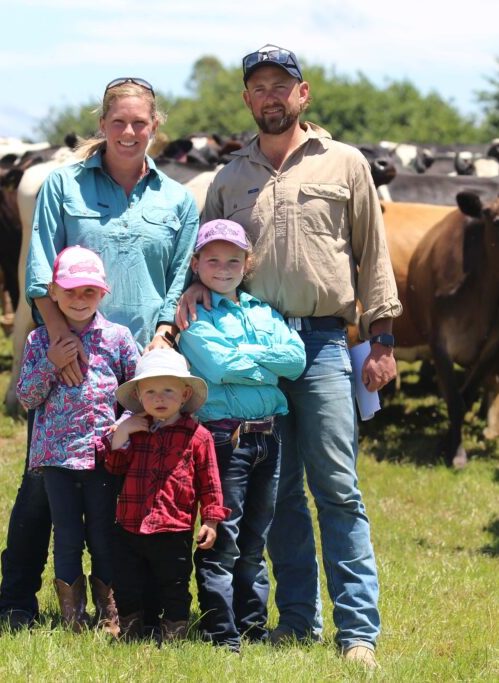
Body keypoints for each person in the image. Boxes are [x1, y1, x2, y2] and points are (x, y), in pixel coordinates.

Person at [177, 44, 401, 668]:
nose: (271, 96)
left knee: (338, 485)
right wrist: (196, 286)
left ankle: (358, 632)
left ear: (303, 95)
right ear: (248, 99)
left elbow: (373, 255)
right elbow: (208, 255)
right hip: (252, 349)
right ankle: (298, 622)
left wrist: (381, 339)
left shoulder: (345, 164)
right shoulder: (229, 177)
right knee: (277, 493)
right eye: (259, 87)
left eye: (283, 85)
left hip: (326, 342)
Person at [0, 76, 200, 630]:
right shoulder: (63, 187)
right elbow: (41, 272)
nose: (130, 132)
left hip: (139, 370)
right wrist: (60, 339)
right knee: (45, 483)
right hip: (70, 365)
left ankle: (130, 606)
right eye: (119, 122)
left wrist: (164, 336)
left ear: (155, 127)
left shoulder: (177, 200)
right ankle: (18, 597)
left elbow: (180, 278)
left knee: (125, 490)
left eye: (140, 123)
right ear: (102, 125)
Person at [176, 219, 306, 652]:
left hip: (267, 437)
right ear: (196, 264)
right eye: (212, 259)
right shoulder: (194, 314)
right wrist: (266, 369)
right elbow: (218, 367)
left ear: (247, 264)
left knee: (256, 535)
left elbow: (297, 359)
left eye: (233, 259)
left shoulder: (262, 311)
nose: (223, 267)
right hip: (224, 438)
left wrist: (248, 359)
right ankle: (221, 632)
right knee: (223, 532)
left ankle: (252, 626)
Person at [15, 245, 137, 634]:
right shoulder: (38, 342)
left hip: (104, 457)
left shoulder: (117, 338)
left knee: (103, 535)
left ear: (103, 293)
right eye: (70, 292)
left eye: (89, 292)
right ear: (53, 293)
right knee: (66, 537)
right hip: (57, 461)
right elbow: (26, 397)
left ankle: (109, 615)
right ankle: (73, 618)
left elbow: (136, 391)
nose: (79, 301)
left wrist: (127, 428)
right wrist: (52, 362)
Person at [98, 348, 230, 642]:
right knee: (127, 583)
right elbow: (114, 466)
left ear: (184, 395)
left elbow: (210, 482)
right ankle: (131, 631)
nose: (159, 398)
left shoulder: (198, 436)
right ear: (140, 396)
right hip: (130, 525)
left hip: (174, 527)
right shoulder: (136, 430)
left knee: (173, 583)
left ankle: (174, 633)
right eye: (151, 391)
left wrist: (210, 520)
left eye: (168, 390)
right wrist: (122, 432)